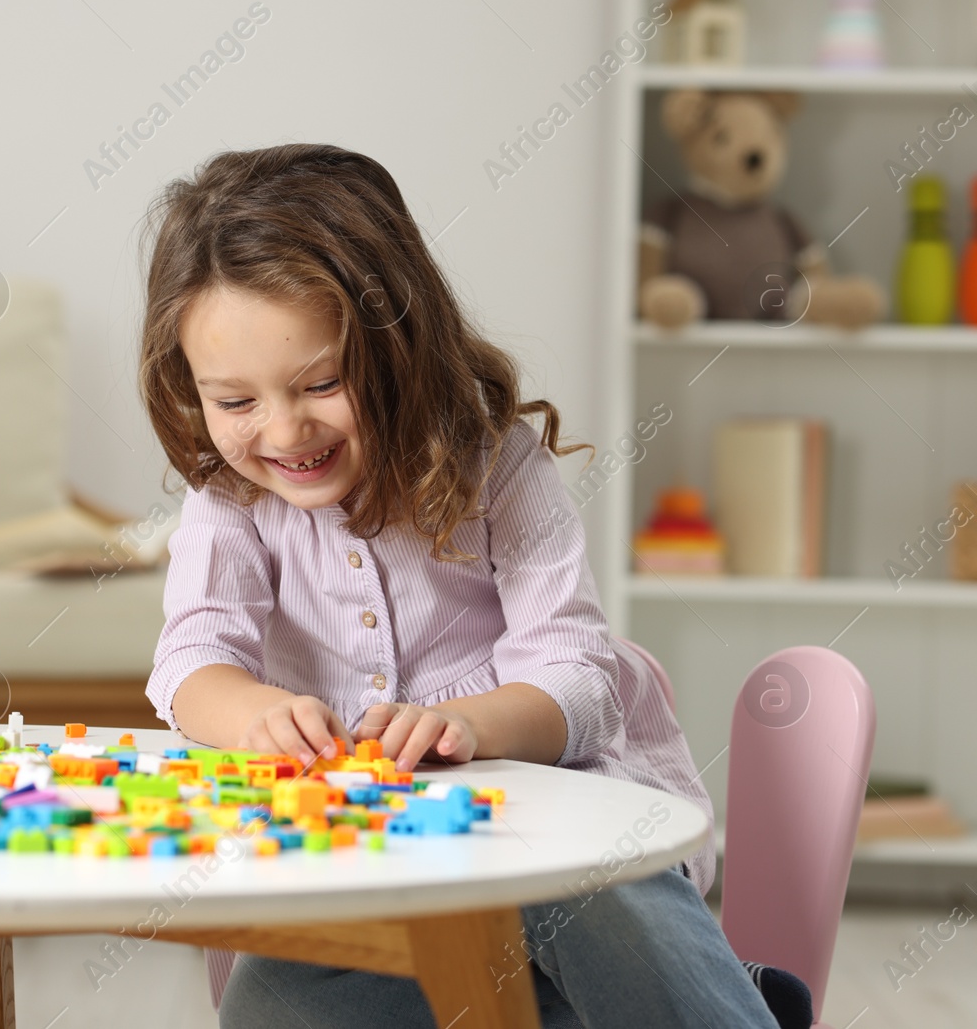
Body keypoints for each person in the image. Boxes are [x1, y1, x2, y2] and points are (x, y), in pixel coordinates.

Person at [136, 144, 804, 1028]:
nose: (284, 428)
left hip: (546, 839)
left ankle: (720, 1001)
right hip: (362, 879)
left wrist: (470, 727)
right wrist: (254, 713)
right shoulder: (229, 499)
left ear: (397, 344)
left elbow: (577, 677)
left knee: (594, 905)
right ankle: (735, 994)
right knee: (271, 1001)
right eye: (234, 401)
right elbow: (191, 659)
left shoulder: (498, 467)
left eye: (323, 382)